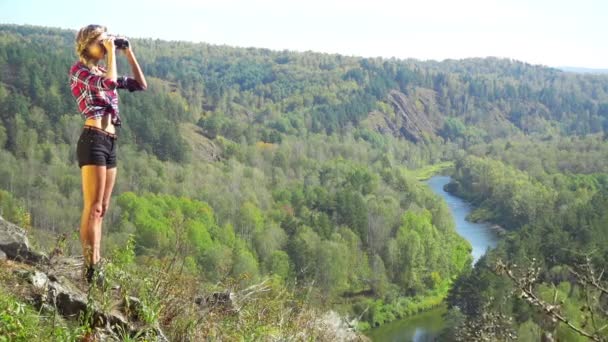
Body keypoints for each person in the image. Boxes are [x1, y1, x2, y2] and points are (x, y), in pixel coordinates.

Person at [69, 24, 147, 285]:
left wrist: (128, 53)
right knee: (92, 208)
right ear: (86, 45)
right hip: (93, 140)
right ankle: (90, 268)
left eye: (106, 42)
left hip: (111, 140)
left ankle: (97, 264)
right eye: (100, 43)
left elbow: (140, 85)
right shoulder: (78, 71)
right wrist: (112, 53)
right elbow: (110, 83)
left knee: (102, 209)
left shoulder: (104, 69)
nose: (104, 47)